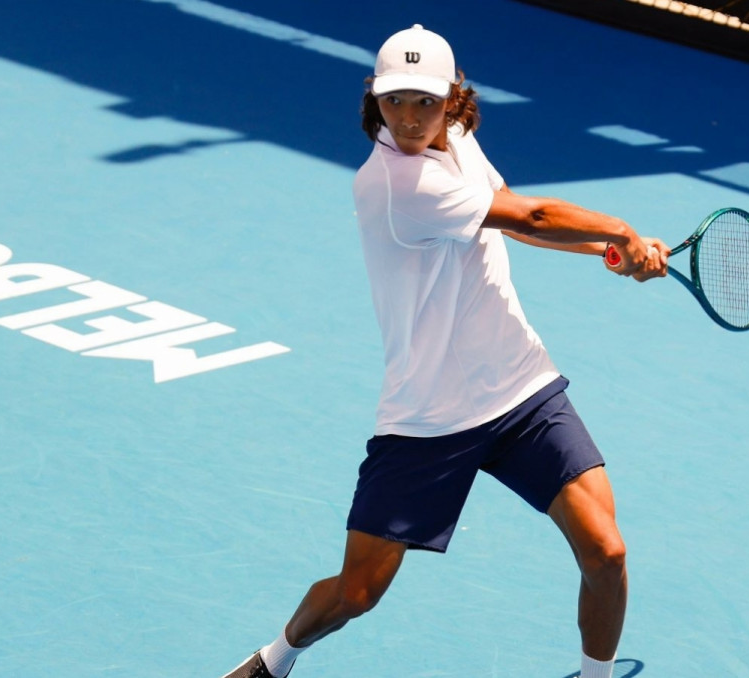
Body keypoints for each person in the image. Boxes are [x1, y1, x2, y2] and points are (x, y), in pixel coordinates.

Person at [221, 23, 669, 678]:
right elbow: (529, 217)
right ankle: (272, 661)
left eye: (424, 102)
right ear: (374, 96)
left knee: (606, 553)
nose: (408, 117)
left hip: (518, 387)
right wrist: (623, 231)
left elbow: (510, 214)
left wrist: (603, 251)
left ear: (454, 100)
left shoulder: (456, 140)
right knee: (356, 594)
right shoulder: (396, 186)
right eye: (394, 100)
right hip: (430, 417)